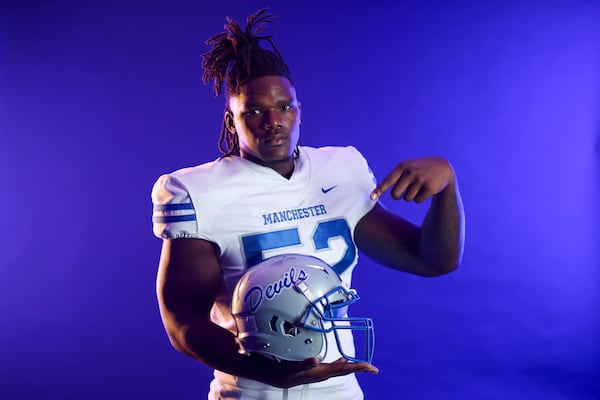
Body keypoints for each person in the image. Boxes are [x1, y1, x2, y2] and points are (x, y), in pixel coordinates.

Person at [151, 8, 464, 400]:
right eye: (255, 111)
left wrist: (447, 188)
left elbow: (433, 260)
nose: (273, 121)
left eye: (284, 107)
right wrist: (268, 374)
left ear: (299, 110)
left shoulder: (341, 170)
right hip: (252, 392)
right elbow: (182, 323)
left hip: (340, 388)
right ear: (233, 121)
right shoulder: (199, 191)